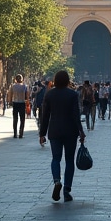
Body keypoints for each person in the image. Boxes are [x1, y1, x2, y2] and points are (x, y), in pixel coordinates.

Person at [39, 70, 86, 202]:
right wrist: (81, 131)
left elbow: (45, 116)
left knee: (56, 158)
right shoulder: (72, 94)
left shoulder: (49, 94)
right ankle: (66, 189)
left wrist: (42, 133)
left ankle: (56, 181)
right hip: (70, 131)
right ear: (67, 81)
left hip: (54, 131)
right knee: (69, 160)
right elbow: (76, 115)